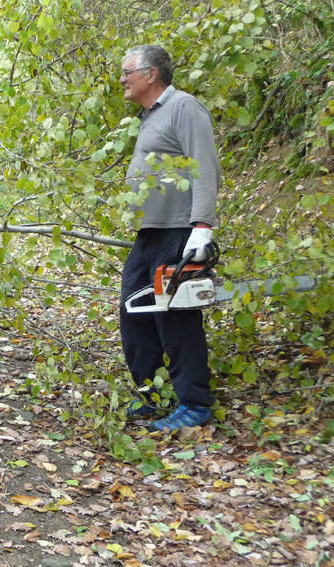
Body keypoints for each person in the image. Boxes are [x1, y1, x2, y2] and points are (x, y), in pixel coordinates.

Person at [118, 45, 221, 432]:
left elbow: (204, 165)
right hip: (150, 233)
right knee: (134, 312)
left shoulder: (184, 107)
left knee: (175, 318)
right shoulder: (151, 115)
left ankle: (195, 403)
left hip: (179, 230)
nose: (122, 79)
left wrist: (202, 225)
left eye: (127, 72)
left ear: (151, 74)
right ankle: (154, 395)